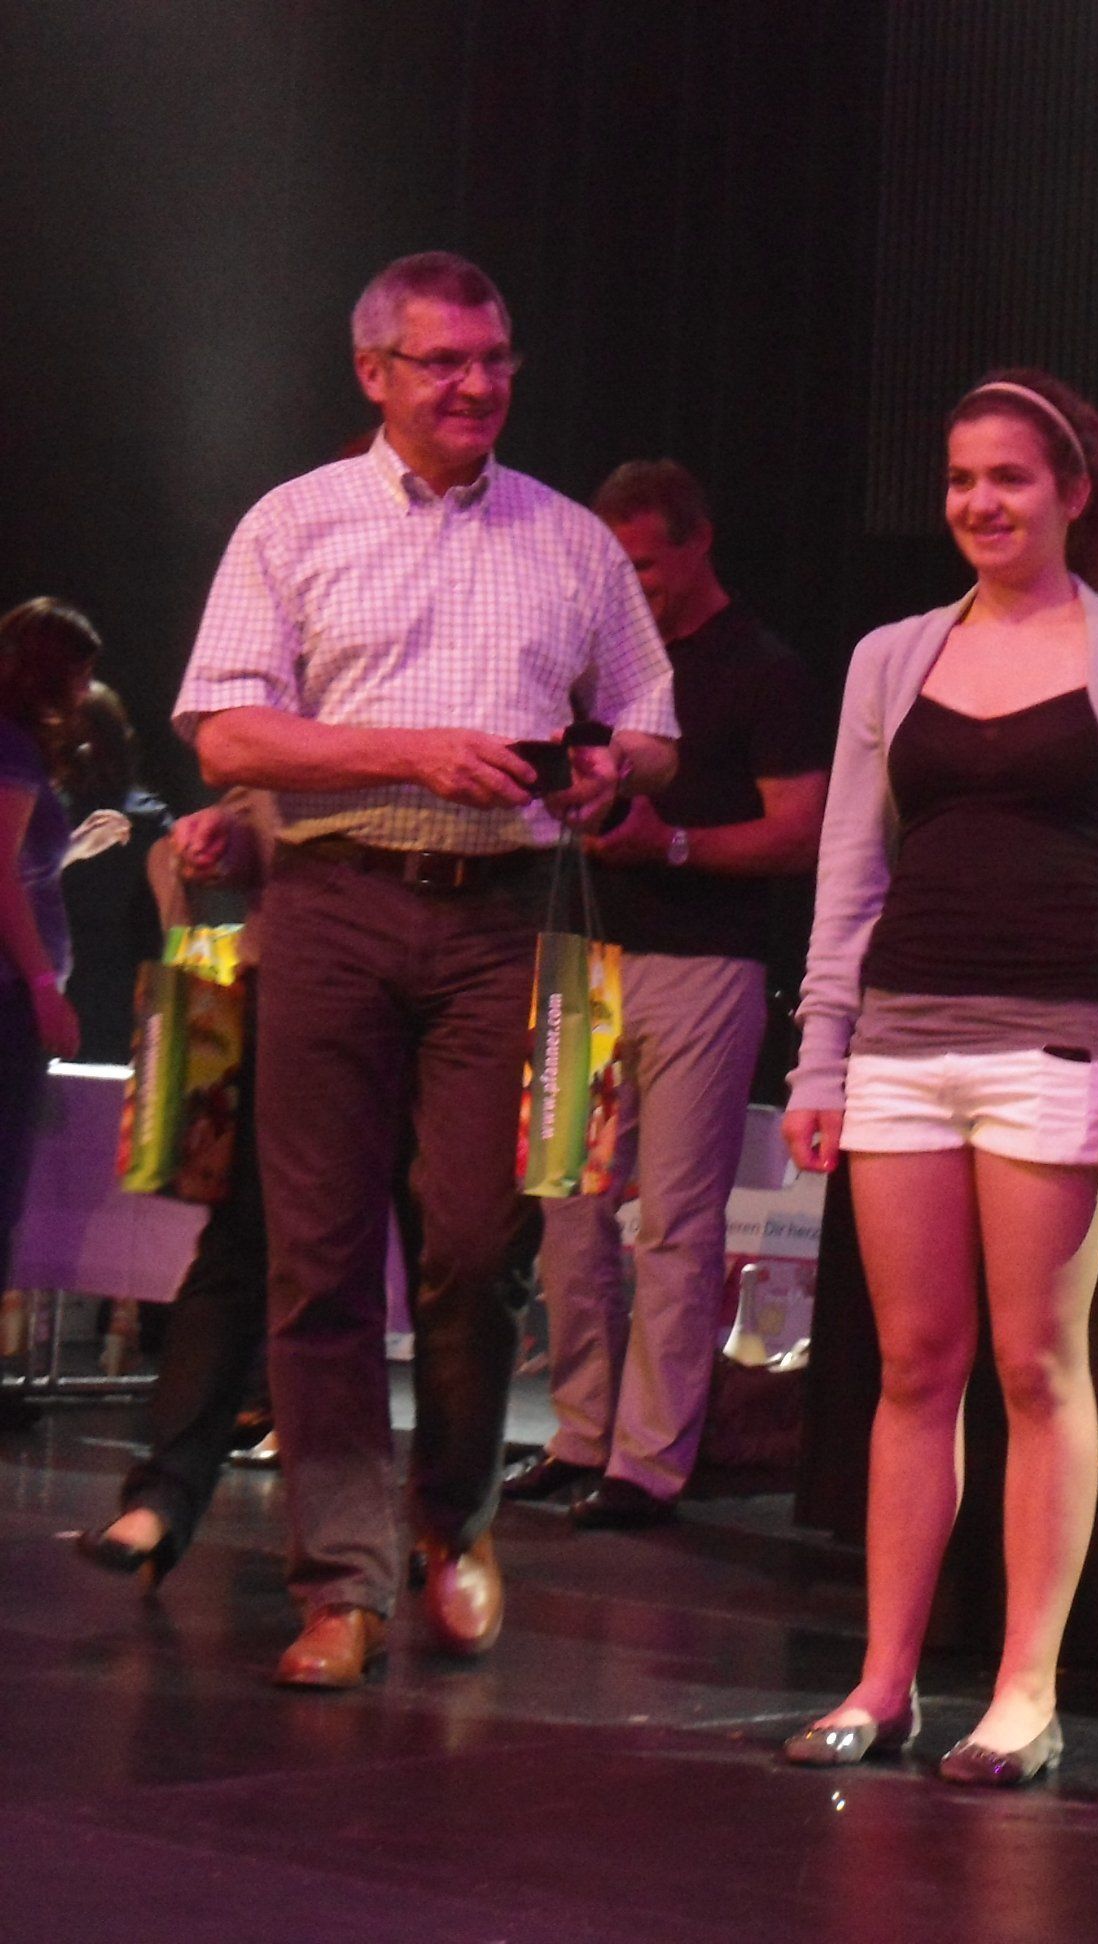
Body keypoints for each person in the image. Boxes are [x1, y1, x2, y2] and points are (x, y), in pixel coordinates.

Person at [172, 250, 678, 1690]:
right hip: (332, 903)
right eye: (444, 361)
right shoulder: (294, 521)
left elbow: (652, 722)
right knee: (320, 1255)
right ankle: (340, 1582)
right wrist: (408, 753)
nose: (476, 385)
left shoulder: (569, 538)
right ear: (374, 373)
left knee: (475, 1244)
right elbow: (225, 735)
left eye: (495, 358)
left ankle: (451, 1521)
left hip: (503, 916)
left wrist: (611, 770)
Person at [778, 370, 1098, 1787]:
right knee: (913, 1367)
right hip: (901, 1045)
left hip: (1055, 1050)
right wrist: (821, 1052)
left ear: (1074, 491)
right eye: (961, 479)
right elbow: (850, 870)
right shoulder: (892, 656)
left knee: (1034, 1367)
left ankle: (1027, 1689)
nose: (980, 502)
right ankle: (883, 1681)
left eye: (1009, 477)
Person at [504, 460, 830, 1528]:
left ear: (699, 545)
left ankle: (647, 1462)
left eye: (643, 565)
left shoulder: (764, 671)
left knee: (677, 1222)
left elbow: (804, 831)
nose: (626, 583)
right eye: (613, 564)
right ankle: (581, 1435)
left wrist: (674, 844)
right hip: (579, 957)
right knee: (567, 1209)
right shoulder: (592, 663)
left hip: (702, 961)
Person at [74, 791, 279, 1584]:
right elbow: (248, 796)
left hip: (442, 974)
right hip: (285, 977)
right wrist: (216, 835)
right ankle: (162, 1497)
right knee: (236, 1246)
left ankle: (445, 1522)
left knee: (448, 1257)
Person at [0, 599, 102, 1303]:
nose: (87, 692)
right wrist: (42, 987)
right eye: (81, 674)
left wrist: (72, 849)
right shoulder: (12, 747)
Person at [59, 681, 174, 1062]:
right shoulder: (147, 821)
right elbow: (177, 924)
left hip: (67, 994)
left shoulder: (40, 815)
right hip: (118, 1002)